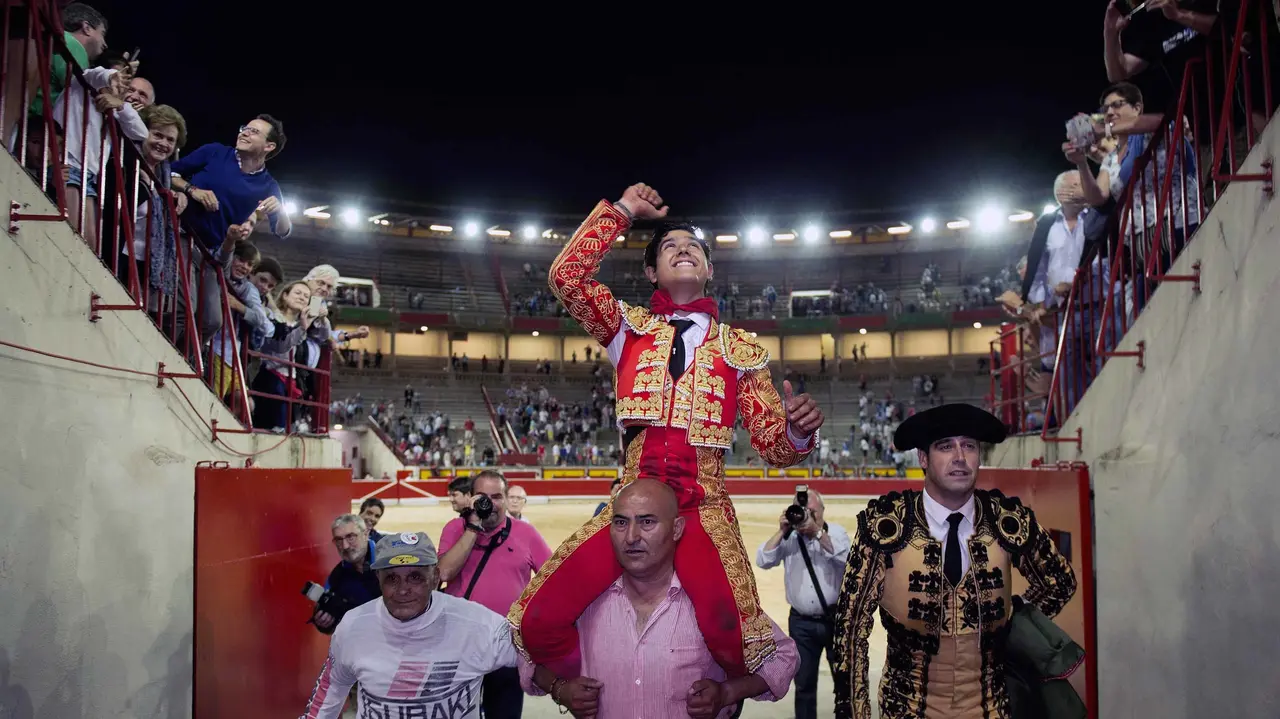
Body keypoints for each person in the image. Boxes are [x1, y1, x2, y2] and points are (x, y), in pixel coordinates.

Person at [511, 183, 825, 683]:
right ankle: (597, 687)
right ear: (651, 271)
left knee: (731, 636)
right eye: (669, 247)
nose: (682, 250)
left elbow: (776, 449)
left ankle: (720, 704)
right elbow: (566, 277)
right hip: (633, 501)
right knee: (538, 619)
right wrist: (622, 213)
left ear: (709, 269)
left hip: (702, 505)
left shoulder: (740, 350)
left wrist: (797, 430)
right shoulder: (625, 330)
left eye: (694, 248)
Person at [831, 404, 1078, 719]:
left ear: (979, 457)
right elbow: (850, 630)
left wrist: (1011, 624)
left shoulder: (1007, 519)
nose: (960, 457)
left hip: (990, 708)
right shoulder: (886, 526)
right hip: (906, 709)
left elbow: (1060, 581)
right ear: (923, 458)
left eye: (969, 446)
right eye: (946, 446)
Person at [520, 479, 799, 718]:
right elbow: (525, 651)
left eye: (647, 522)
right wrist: (560, 689)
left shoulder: (708, 599)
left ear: (677, 529)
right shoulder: (584, 599)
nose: (631, 536)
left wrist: (728, 692)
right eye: (620, 522)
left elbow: (784, 657)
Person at [301, 531, 518, 718]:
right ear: (378, 579)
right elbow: (331, 689)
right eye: (392, 579)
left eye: (415, 577)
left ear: (434, 578)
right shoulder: (353, 625)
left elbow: (534, 660)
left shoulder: (477, 624)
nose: (403, 589)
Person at [437, 471, 551, 719]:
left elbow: (553, 581)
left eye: (497, 496)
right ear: (470, 499)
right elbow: (444, 572)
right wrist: (473, 527)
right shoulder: (455, 529)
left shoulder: (526, 533)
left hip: (506, 646)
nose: (490, 503)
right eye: (482, 496)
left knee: (504, 714)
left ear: (506, 500)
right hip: (459, 645)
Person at [755, 488, 850, 719]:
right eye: (802, 511)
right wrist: (782, 530)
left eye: (812, 511)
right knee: (804, 686)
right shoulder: (791, 539)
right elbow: (763, 560)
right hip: (801, 623)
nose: (807, 515)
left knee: (844, 684)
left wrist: (817, 532)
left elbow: (845, 558)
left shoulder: (836, 532)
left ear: (822, 511)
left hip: (836, 620)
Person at [312, 514, 380, 634]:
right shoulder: (336, 578)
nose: (345, 546)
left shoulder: (390, 559)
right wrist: (325, 623)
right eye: (338, 540)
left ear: (365, 534)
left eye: (351, 537)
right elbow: (332, 627)